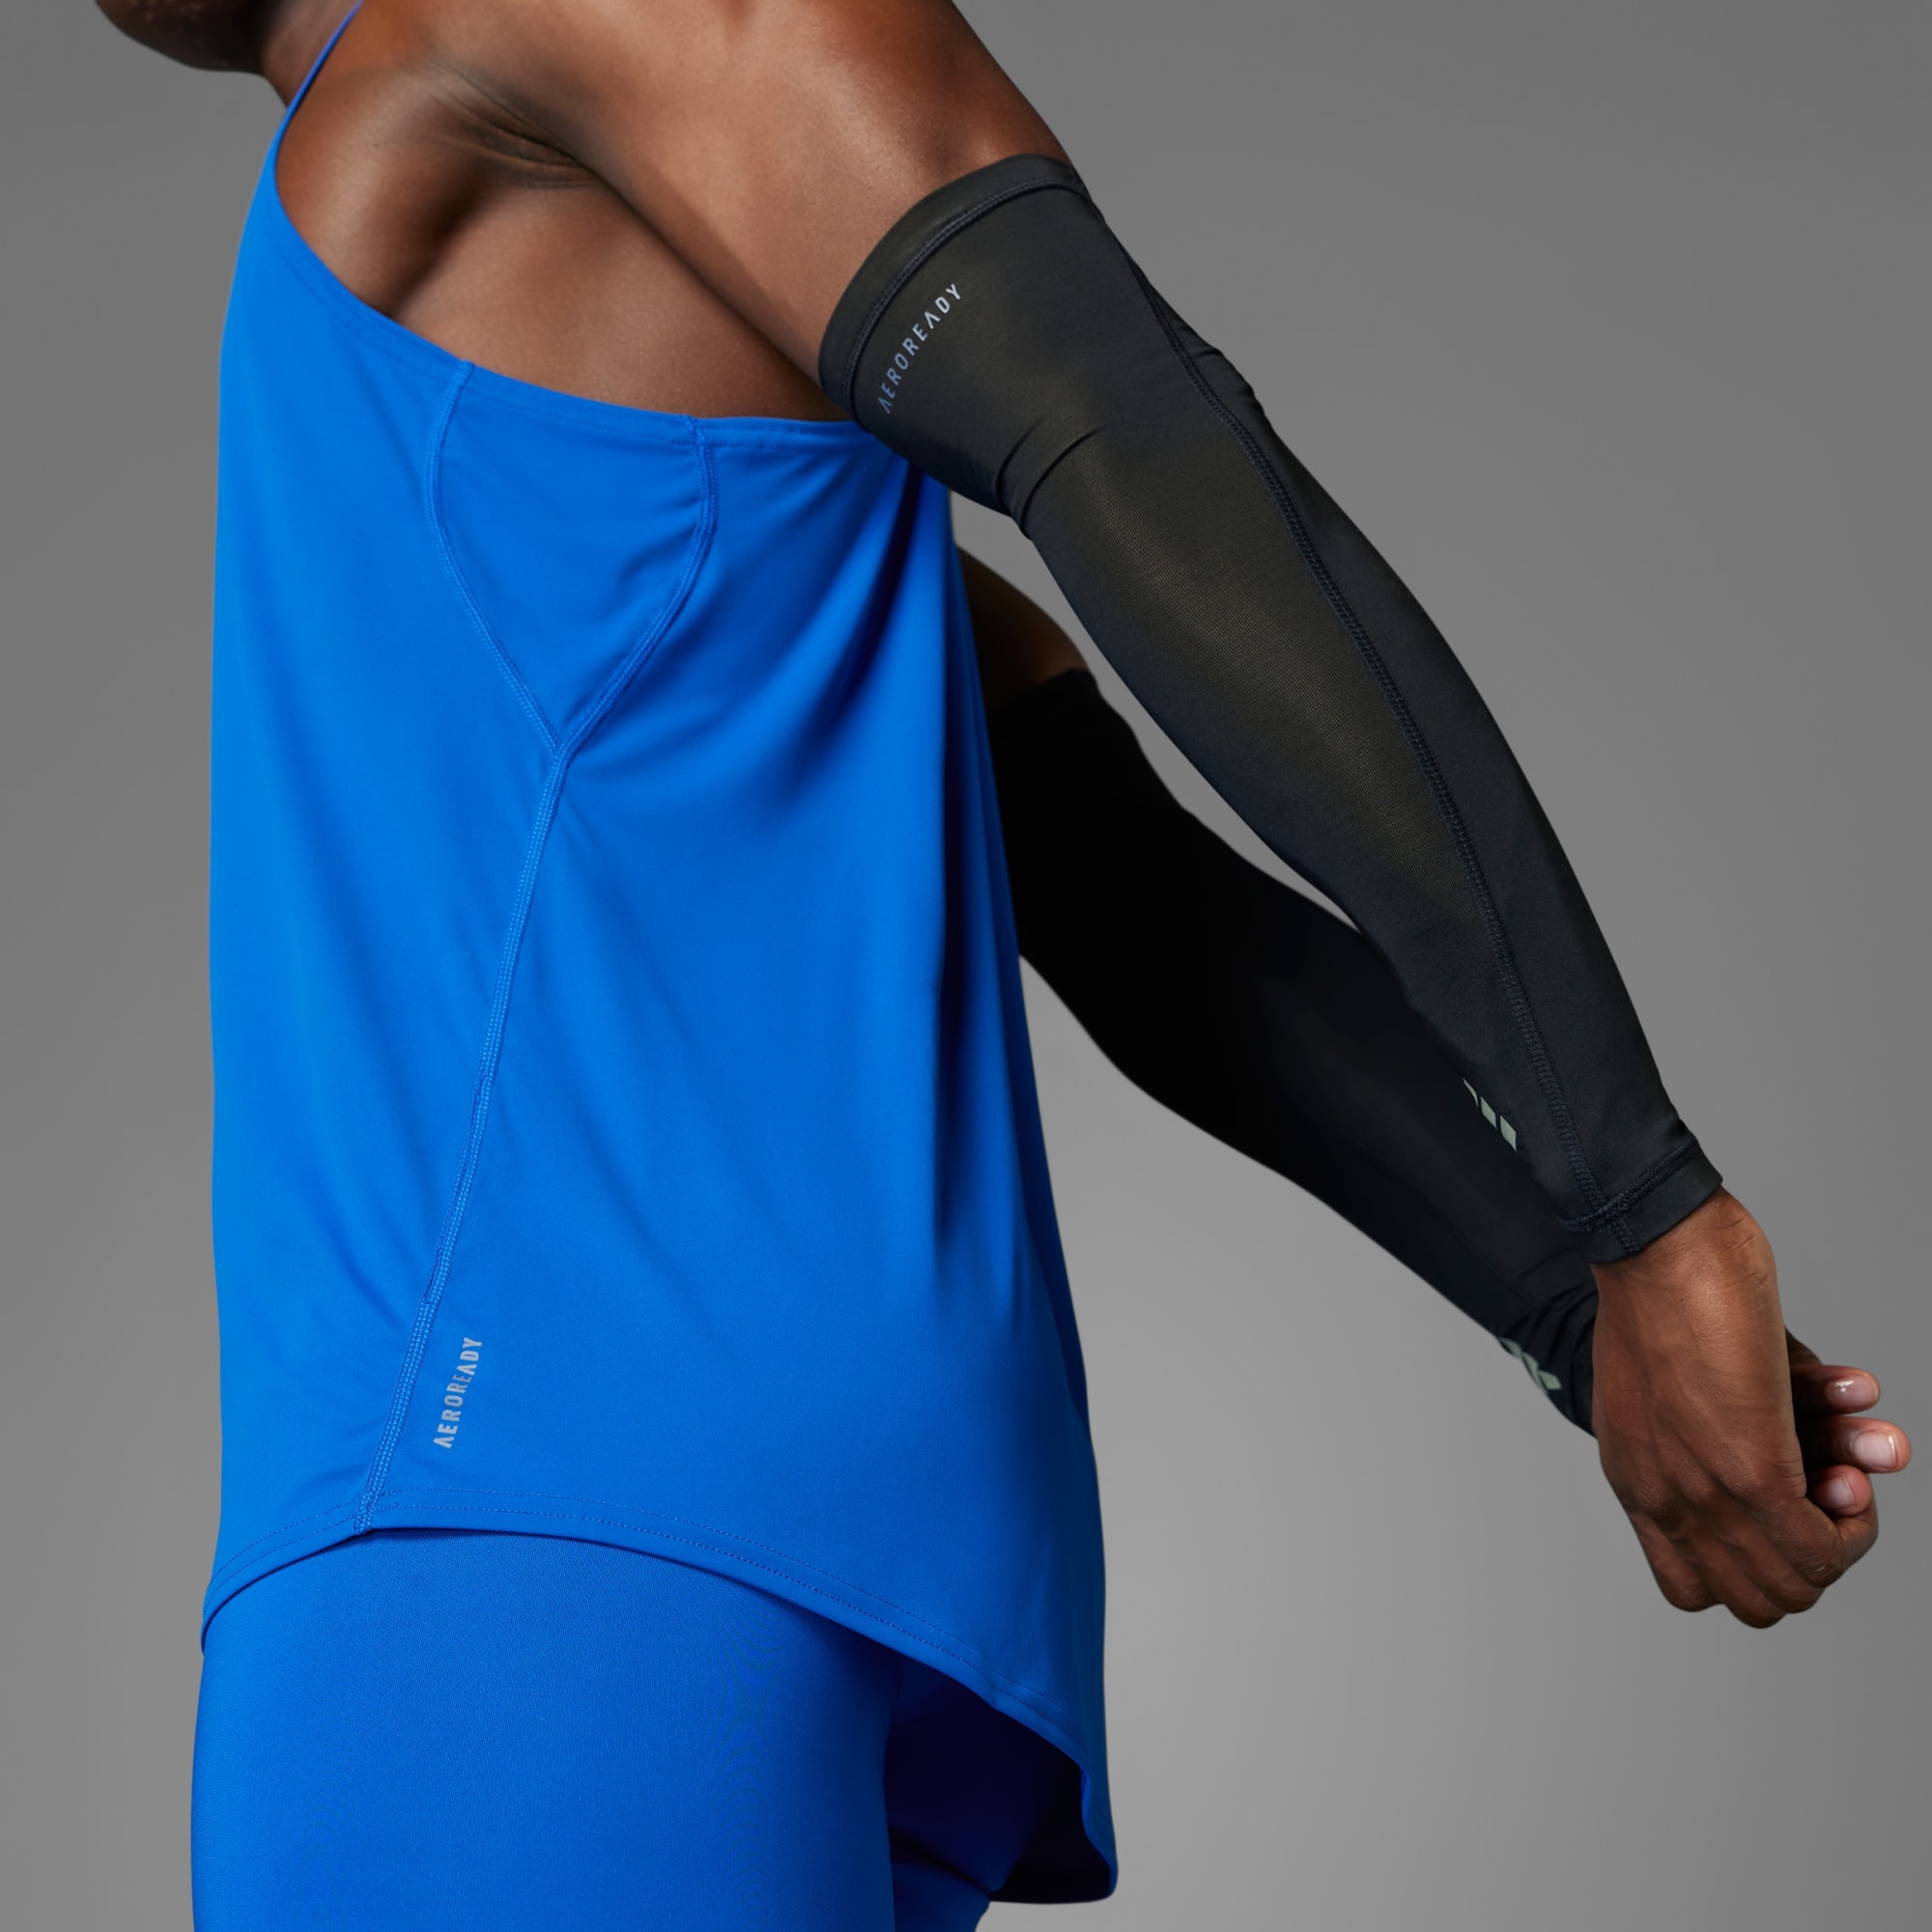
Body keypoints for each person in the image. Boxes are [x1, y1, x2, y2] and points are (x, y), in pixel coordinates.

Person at [94, 3, 1911, 1927]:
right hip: (739, 1581)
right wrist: (1590, 1286)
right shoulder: (560, 365)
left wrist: (1634, 1234)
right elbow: (1124, 888)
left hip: (534, 1554)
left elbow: (1121, 450)